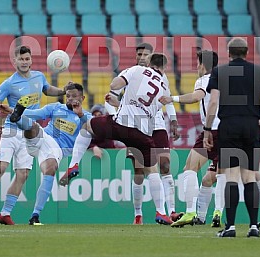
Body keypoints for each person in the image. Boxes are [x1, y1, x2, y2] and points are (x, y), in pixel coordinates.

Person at [60, 53, 175, 225]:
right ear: (164, 68)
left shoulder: (137, 70)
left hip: (120, 125)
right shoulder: (164, 86)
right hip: (142, 134)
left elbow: (115, 84)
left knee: (87, 127)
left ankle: (73, 165)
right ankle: (161, 212)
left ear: (149, 63)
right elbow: (146, 106)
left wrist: (117, 96)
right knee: (152, 171)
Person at [0, 45, 66, 225]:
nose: (24, 62)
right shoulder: (9, 83)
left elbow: (47, 90)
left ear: (31, 60)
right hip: (11, 130)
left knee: (23, 174)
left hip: (29, 134)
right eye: (21, 59)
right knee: (1, 167)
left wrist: (63, 91)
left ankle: (5, 213)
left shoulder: (39, 76)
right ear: (14, 61)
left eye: (27, 59)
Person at [203, 37, 260, 237]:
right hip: (252, 127)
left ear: (229, 52)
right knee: (250, 177)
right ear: (247, 52)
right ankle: (253, 227)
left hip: (229, 126)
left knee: (232, 177)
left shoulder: (220, 72)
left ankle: (231, 227)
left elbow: (213, 101)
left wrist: (208, 128)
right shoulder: (259, 72)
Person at [105, 43, 182, 225]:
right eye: (139, 54)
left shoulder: (162, 78)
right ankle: (138, 214)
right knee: (139, 170)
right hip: (136, 125)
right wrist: (118, 115)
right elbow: (111, 97)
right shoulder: (132, 73)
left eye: (145, 54)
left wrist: (173, 120)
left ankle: (171, 211)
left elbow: (168, 100)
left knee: (164, 165)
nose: (141, 57)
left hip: (157, 124)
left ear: (151, 58)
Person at [0, 82, 92, 225]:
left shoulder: (86, 116)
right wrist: (12, 110)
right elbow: (36, 114)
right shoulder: (56, 107)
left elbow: (91, 129)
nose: (71, 99)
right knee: (34, 127)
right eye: (68, 96)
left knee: (50, 169)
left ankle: (35, 215)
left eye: (74, 96)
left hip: (56, 150)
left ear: (83, 98)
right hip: (44, 138)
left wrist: (80, 115)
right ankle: (17, 118)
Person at [159, 50, 225, 227]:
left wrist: (171, 98)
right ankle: (216, 212)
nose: (196, 66)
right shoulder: (225, 81)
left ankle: (190, 212)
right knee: (219, 175)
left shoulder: (204, 80)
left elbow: (197, 97)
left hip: (211, 131)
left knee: (190, 167)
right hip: (229, 131)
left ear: (203, 65)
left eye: (197, 63)